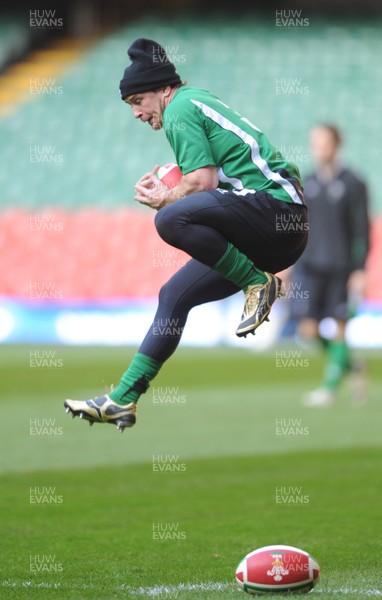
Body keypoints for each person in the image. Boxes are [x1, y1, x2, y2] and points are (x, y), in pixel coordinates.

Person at [64, 38, 308, 431]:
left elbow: (202, 182)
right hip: (276, 229)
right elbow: (209, 184)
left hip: (276, 209)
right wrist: (175, 195)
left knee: (169, 220)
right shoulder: (190, 101)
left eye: (137, 100)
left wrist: (165, 198)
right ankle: (122, 400)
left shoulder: (178, 107)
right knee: (173, 296)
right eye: (130, 105)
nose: (136, 113)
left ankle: (257, 284)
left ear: (162, 89)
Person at [293, 124, 369, 407]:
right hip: (311, 264)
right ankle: (354, 366)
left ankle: (329, 387)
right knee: (308, 330)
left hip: (341, 267)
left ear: (336, 144)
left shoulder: (354, 183)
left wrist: (360, 269)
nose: (318, 148)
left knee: (339, 326)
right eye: (315, 143)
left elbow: (362, 230)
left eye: (323, 142)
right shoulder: (308, 182)